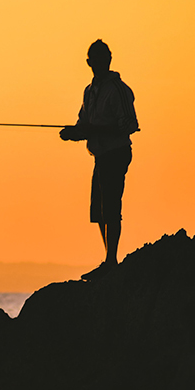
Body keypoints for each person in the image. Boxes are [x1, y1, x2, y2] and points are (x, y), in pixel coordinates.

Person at [60, 40, 139, 280]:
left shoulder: (119, 89)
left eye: (102, 58)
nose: (98, 63)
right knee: (99, 211)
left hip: (116, 153)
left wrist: (93, 130)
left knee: (111, 207)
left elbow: (130, 125)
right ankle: (109, 260)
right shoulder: (89, 91)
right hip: (100, 156)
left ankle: (111, 262)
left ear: (109, 60)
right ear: (89, 63)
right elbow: (84, 123)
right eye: (94, 59)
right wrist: (73, 133)